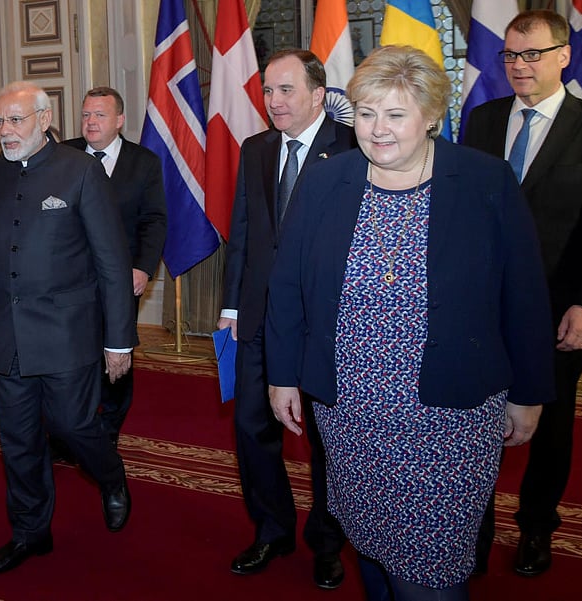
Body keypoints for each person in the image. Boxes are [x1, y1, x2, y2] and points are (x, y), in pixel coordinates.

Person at [266, 45, 555, 600]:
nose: (377, 130)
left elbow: (523, 294)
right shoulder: (328, 181)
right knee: (370, 540)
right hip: (351, 409)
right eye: (367, 113)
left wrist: (529, 392)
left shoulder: (483, 180)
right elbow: (287, 284)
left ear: (430, 116)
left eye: (395, 115)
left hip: (450, 412)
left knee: (433, 567)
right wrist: (282, 374)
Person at [463, 9, 582, 577]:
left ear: (564, 55)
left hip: (560, 310)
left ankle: (536, 528)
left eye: (531, 54)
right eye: (510, 54)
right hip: (482, 309)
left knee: (552, 426)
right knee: (474, 419)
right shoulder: (481, 120)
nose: (518, 65)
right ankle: (472, 530)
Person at [0, 81, 136, 574]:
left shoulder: (81, 171)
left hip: (67, 335)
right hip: (5, 335)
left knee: (73, 426)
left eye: (15, 120)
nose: (5, 131)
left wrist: (119, 339)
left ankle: (110, 475)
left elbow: (111, 260)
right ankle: (30, 532)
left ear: (43, 120)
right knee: (17, 440)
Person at [218, 48, 355, 589]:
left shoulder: (350, 148)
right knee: (253, 429)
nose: (273, 101)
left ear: (319, 95)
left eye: (286, 90)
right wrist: (230, 308)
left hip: (324, 324)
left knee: (325, 441)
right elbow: (244, 234)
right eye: (268, 91)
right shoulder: (255, 148)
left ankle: (327, 541)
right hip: (256, 318)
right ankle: (271, 529)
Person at [60, 86, 166, 452]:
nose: (90, 122)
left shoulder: (144, 162)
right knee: (72, 353)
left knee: (115, 350)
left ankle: (108, 427)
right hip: (69, 278)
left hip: (120, 277)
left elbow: (154, 220)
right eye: (86, 114)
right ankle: (72, 425)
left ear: (119, 120)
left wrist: (143, 268)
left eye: (99, 115)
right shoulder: (63, 155)